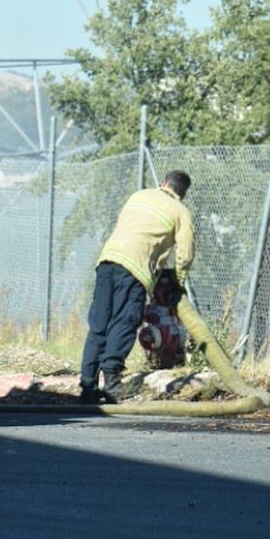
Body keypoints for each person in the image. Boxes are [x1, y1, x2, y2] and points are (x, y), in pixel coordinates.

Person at [80, 170, 195, 404]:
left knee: (99, 323)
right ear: (182, 193)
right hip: (134, 270)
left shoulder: (138, 196)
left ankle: (87, 384)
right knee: (125, 321)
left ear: (163, 183)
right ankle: (111, 381)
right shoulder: (180, 211)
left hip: (107, 260)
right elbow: (185, 254)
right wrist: (178, 281)